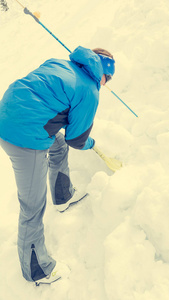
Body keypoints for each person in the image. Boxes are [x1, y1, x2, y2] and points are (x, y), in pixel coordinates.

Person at [0, 46, 115, 285]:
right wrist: (91, 142)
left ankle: (63, 196)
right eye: (109, 78)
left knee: (58, 144)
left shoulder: (61, 63)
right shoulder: (90, 90)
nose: (106, 83)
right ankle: (38, 271)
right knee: (31, 206)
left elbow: (51, 107)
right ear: (104, 72)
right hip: (24, 136)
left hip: (7, 112)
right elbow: (78, 139)